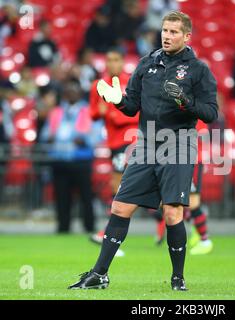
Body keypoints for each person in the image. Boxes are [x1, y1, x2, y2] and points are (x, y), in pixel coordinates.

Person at [68, 11, 218, 291]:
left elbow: (210, 113)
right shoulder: (146, 63)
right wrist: (117, 100)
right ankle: (99, 274)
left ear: (187, 36)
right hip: (147, 144)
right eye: (165, 30)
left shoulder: (199, 70)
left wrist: (185, 101)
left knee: (172, 213)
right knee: (120, 206)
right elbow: (132, 106)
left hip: (178, 143)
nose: (167, 36)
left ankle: (177, 279)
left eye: (174, 32)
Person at [88, 48, 139, 257]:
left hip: (133, 141)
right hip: (114, 142)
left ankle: (106, 233)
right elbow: (93, 113)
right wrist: (102, 112)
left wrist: (113, 114)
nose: (112, 63)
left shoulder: (133, 82)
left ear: (123, 61)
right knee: (122, 186)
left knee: (119, 185)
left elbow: (137, 111)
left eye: (116, 59)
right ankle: (167, 218)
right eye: (109, 60)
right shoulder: (97, 86)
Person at [40, 79, 103, 233]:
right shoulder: (56, 112)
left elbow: (96, 135)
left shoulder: (88, 111)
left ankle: (89, 227)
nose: (71, 92)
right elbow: (44, 134)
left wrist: (85, 139)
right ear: (64, 93)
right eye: (68, 89)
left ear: (80, 92)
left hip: (81, 160)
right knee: (61, 197)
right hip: (60, 159)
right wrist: (49, 137)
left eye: (74, 89)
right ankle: (63, 227)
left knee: (86, 196)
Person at [152, 120, 213, 256]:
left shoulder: (195, 113)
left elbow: (200, 134)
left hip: (192, 160)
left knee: (192, 202)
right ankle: (198, 235)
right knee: (177, 202)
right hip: (177, 160)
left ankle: (205, 241)